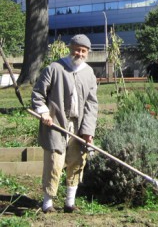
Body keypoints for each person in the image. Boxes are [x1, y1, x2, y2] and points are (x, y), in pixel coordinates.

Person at [31, 34, 98, 213]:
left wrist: (88, 131)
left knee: (77, 162)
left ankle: (69, 203)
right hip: (56, 124)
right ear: (70, 48)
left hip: (78, 126)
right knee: (55, 162)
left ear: (88, 52)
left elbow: (92, 104)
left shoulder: (89, 73)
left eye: (84, 51)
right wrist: (44, 112)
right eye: (77, 49)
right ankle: (47, 204)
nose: (80, 53)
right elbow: (38, 94)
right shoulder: (54, 68)